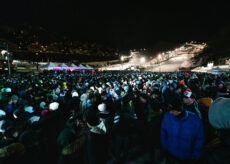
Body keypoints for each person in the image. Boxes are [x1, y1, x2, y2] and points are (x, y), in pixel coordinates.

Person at [161, 97, 205, 163]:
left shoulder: (194, 119)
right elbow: (163, 132)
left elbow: (199, 139)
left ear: (179, 110)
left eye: (172, 110)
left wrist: (196, 155)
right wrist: (165, 146)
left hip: (187, 156)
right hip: (170, 152)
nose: (170, 112)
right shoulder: (167, 116)